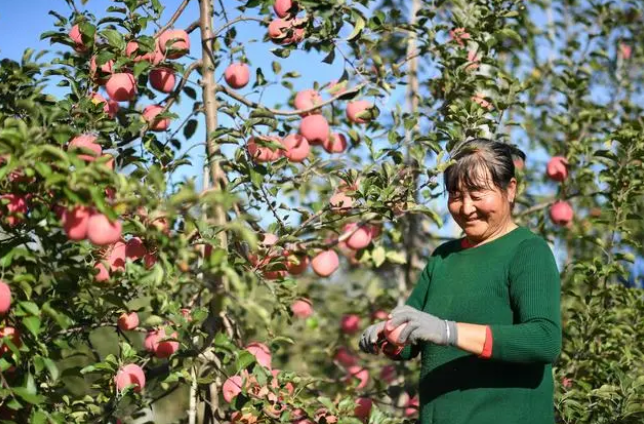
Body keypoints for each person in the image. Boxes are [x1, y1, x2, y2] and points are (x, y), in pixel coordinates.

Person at [359, 138, 562, 424]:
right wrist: (389, 335)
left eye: (478, 193)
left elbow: (544, 340)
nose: (465, 208)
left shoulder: (527, 251)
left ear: (510, 189)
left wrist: (448, 332)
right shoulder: (443, 258)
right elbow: (411, 341)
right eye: (455, 194)